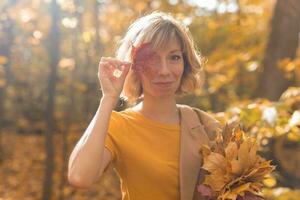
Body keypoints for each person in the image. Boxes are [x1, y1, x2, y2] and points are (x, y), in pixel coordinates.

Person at [67, 11, 222, 200]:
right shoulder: (119, 124)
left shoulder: (205, 126)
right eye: (152, 58)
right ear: (133, 66)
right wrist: (108, 98)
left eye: (174, 57)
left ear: (185, 64)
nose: (164, 71)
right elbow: (80, 177)